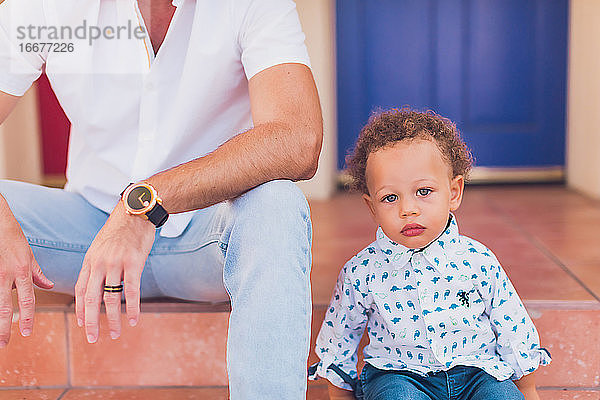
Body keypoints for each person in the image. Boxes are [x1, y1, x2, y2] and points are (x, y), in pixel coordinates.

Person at [0, 0, 322, 398]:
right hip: (85, 238)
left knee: (278, 203)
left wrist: (144, 203)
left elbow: (297, 139)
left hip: (210, 239)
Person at [308, 108, 550, 400]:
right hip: (398, 375)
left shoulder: (477, 260)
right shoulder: (361, 272)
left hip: (477, 373)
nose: (407, 209)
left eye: (423, 191)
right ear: (371, 207)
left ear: (454, 193)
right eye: (390, 197)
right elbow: (340, 338)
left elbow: (512, 324)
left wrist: (527, 390)